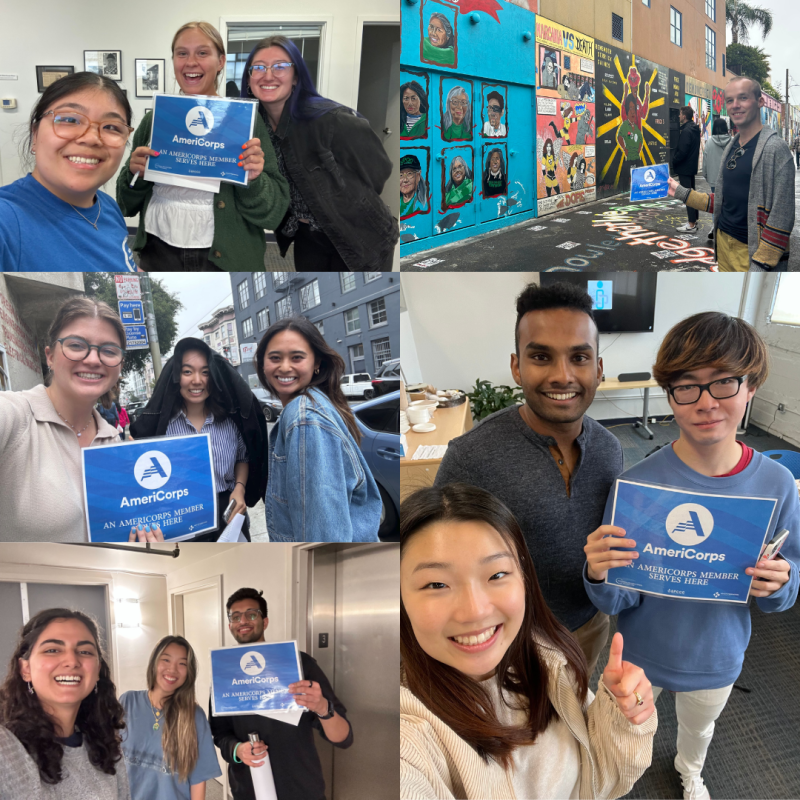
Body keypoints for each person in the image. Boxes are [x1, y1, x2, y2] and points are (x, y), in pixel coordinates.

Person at [584, 311, 799, 800]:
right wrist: (598, 572)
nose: (705, 402)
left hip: (716, 654)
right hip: (640, 650)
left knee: (699, 730)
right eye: (687, 386)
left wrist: (781, 581)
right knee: (622, 733)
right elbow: (616, 598)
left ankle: (690, 771)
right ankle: (619, 780)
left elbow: (786, 586)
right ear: (669, 395)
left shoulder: (777, 485)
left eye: (723, 382)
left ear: (751, 387)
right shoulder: (637, 485)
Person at [400, 483, 657, 799]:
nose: (475, 611)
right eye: (436, 584)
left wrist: (620, 718)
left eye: (496, 575)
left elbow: (595, 781)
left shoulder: (547, 658)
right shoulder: (403, 730)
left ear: (523, 575)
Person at [435, 282, 623, 676]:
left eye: (579, 357)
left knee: (576, 706)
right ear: (516, 367)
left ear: (599, 368)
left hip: (587, 625)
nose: (562, 375)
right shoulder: (470, 457)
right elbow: (439, 564)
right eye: (541, 357)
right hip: (509, 642)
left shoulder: (610, 449)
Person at [117, 21, 289, 272]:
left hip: (225, 260)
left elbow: (272, 214)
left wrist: (253, 180)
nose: (190, 62)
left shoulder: (245, 122)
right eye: (182, 53)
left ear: (221, 61)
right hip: (158, 251)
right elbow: (125, 204)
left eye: (202, 53)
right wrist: (135, 175)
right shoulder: (155, 120)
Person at [0, 296, 159, 543]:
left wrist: (141, 547)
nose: (93, 360)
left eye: (109, 350)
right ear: (50, 356)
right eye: (76, 345)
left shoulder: (113, 441)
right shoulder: (14, 416)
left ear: (119, 366)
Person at [240, 35, 397, 272]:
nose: (268, 75)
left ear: (296, 77)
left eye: (280, 66)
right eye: (259, 68)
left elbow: (378, 171)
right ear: (249, 78)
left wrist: (348, 198)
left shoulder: (331, 119)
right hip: (307, 235)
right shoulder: (253, 126)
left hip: (360, 235)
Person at [208, 588, 353, 800]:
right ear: (230, 625)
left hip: (301, 788)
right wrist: (238, 749)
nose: (243, 621)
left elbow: (344, 738)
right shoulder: (223, 673)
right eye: (235, 617)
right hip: (248, 788)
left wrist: (323, 708)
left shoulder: (299, 664)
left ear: (265, 622)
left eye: (251, 614)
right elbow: (220, 733)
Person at [255, 316, 381, 542]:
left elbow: (323, 538)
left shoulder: (305, 419)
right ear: (263, 364)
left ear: (317, 363)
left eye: (297, 357)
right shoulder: (314, 402)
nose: (285, 367)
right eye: (275, 358)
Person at [129, 337, 267, 541]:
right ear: (176, 377)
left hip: (226, 513)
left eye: (205, 372)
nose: (197, 380)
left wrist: (239, 488)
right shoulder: (162, 429)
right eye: (187, 372)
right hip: (179, 517)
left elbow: (242, 458)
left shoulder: (229, 422)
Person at [0, 72, 136, 271]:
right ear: (35, 134)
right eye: (70, 120)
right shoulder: (7, 220)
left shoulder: (107, 206)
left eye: (111, 127)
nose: (91, 138)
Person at [668, 77, 795, 272]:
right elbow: (723, 200)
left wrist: (760, 266)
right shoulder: (732, 146)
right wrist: (680, 192)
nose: (735, 105)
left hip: (752, 254)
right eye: (729, 100)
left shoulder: (776, 149)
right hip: (723, 247)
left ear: (760, 101)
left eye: (743, 98)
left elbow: (782, 217)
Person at [0, 608, 130, 799]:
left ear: (97, 670)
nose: (72, 661)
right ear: (25, 669)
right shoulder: (5, 749)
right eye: (52, 650)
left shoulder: (105, 746)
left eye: (84, 651)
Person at [121, 636, 221, 799]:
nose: (172, 669)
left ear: (189, 672)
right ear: (154, 662)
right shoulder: (128, 701)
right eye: (166, 660)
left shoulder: (194, 716)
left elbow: (198, 779)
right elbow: (111, 759)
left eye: (182, 664)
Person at [670, 104, 702, 233]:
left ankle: (691, 224)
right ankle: (693, 220)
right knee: (691, 194)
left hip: (684, 167)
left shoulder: (686, 131)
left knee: (687, 195)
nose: (678, 116)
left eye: (680, 114)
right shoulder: (694, 129)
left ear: (684, 116)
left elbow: (682, 151)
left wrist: (674, 160)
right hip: (691, 166)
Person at [701, 118, 732, 240]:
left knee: (716, 204)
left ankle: (715, 226)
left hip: (714, 179)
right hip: (730, 179)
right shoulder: (732, 141)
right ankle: (727, 228)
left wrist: (706, 175)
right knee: (729, 203)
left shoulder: (709, 143)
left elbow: (705, 161)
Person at [400, 154, 429, 219]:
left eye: (409, 174)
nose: (405, 180)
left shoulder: (422, 205)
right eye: (401, 175)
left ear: (418, 175)